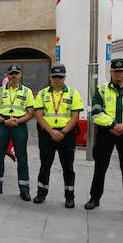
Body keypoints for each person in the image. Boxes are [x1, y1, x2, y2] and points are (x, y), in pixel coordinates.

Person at [86, 58, 123, 218]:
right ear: (111, 72)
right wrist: (113, 125)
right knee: (100, 168)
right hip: (106, 133)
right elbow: (96, 112)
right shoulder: (101, 89)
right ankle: (94, 199)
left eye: (122, 71)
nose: (119, 73)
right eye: (115, 71)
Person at [33, 63, 83, 207]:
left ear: (64, 77)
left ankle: (69, 197)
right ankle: (41, 193)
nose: (57, 79)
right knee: (45, 166)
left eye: (60, 77)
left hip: (66, 135)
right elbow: (39, 115)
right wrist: (51, 131)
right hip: (47, 134)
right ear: (50, 77)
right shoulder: (42, 94)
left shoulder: (73, 93)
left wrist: (62, 132)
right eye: (54, 76)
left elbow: (75, 117)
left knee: (68, 167)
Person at [0, 64, 34, 200]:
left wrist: (18, 121)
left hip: (19, 125)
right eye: (11, 73)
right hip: (3, 124)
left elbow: (31, 112)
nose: (14, 75)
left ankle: (24, 190)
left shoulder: (27, 92)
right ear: (7, 75)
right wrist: (3, 121)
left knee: (22, 157)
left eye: (16, 73)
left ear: (20, 75)